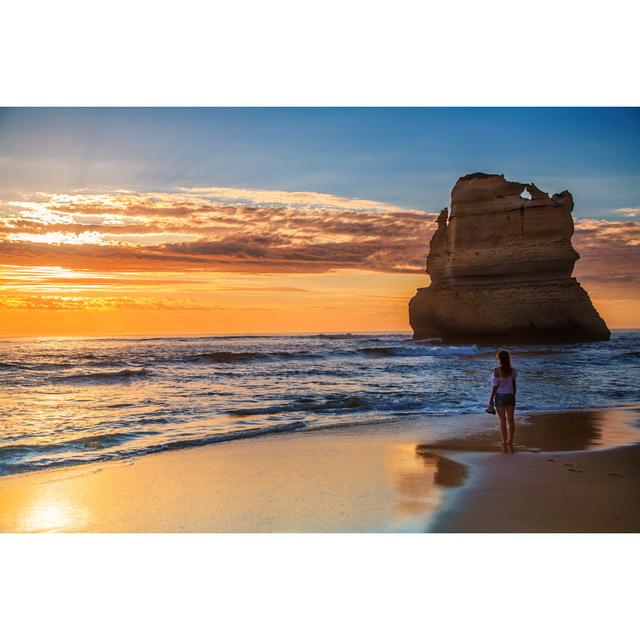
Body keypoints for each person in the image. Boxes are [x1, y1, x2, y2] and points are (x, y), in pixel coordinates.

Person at [487, 350, 517, 452]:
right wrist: (513, 395)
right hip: (510, 396)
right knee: (511, 420)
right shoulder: (512, 370)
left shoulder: (496, 370)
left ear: (500, 359)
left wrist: (491, 400)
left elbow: (495, 387)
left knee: (502, 421)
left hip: (500, 396)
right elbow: (514, 385)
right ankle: (510, 441)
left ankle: (504, 441)